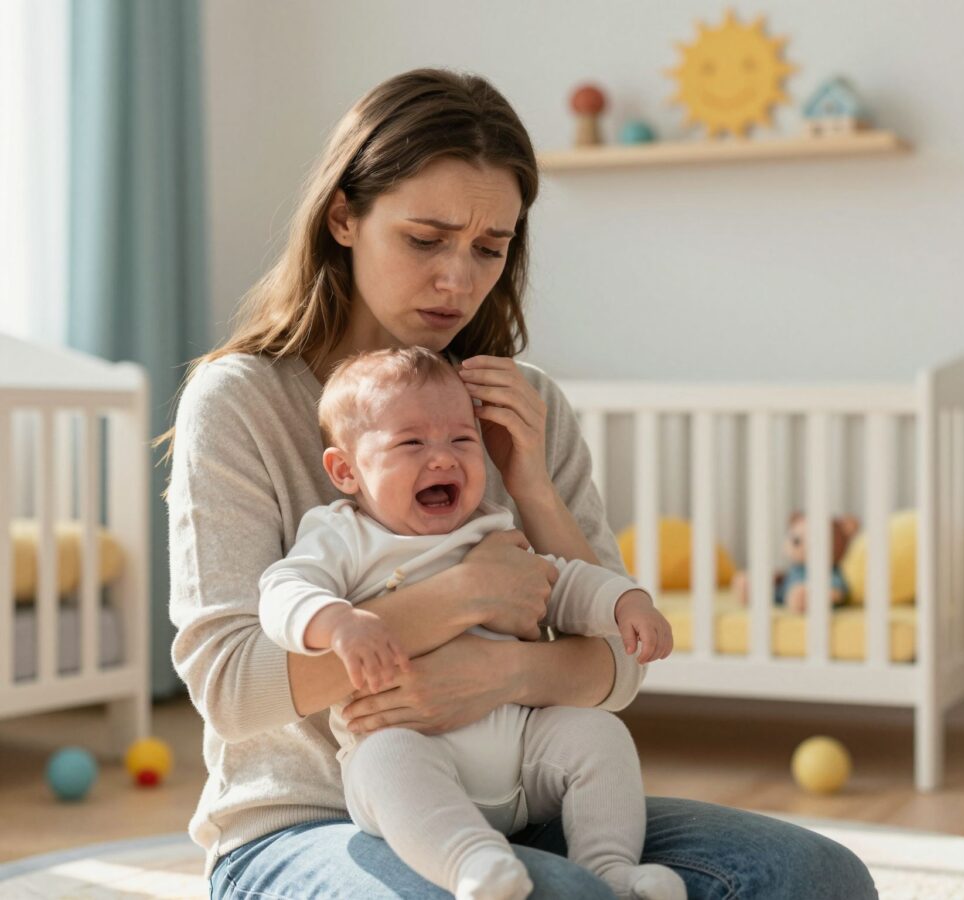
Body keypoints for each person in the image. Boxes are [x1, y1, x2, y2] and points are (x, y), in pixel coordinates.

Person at [166, 68, 878, 898]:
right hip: (306, 824)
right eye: (425, 239)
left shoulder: (525, 402)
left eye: (489, 248)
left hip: (517, 791)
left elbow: (617, 669)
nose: (458, 281)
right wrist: (465, 597)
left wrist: (529, 497)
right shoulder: (243, 401)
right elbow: (235, 692)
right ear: (343, 218)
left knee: (817, 878)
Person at [258, 346, 682, 900]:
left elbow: (561, 582)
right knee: (384, 760)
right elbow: (283, 590)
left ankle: (610, 866)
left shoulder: (489, 527)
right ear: (345, 470)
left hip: (524, 755)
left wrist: (626, 602)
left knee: (599, 735)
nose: (442, 459)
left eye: (461, 440)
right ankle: (471, 864)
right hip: (414, 749)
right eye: (411, 443)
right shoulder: (342, 537)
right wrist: (338, 623)